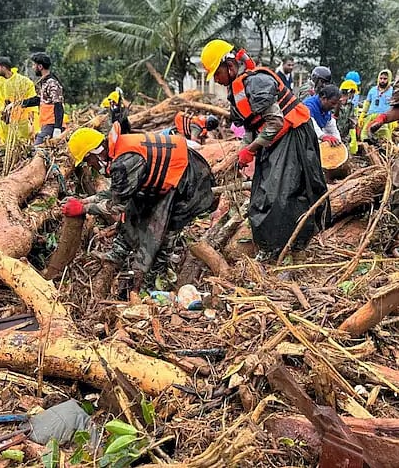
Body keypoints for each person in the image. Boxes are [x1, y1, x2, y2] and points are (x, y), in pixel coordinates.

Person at [200, 39, 327, 260]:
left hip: (294, 135)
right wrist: (243, 152)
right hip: (275, 139)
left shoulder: (257, 82)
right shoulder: (238, 87)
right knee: (262, 193)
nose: (217, 80)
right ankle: (272, 247)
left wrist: (252, 149)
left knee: (283, 196)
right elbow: (252, 124)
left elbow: (275, 122)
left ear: (229, 66)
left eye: (216, 74)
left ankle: (292, 249)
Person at [61, 124, 215, 295]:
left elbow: (116, 206)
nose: (90, 166)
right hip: (169, 179)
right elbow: (116, 193)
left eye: (88, 161)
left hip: (190, 183)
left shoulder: (125, 162)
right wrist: (84, 201)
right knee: (135, 209)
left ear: (94, 154)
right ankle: (118, 253)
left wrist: (84, 209)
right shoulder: (117, 152)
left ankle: (155, 282)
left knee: (165, 231)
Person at [18, 52, 65, 145]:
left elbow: (58, 105)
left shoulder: (52, 83)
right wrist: (19, 103)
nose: (32, 67)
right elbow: (39, 99)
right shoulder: (44, 82)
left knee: (37, 149)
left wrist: (57, 128)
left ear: (40, 67)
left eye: (34, 65)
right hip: (46, 124)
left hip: (51, 125)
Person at [0, 57, 37, 143]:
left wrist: (31, 116)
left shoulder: (24, 81)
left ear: (4, 68)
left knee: (23, 143)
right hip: (6, 120)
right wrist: (3, 109)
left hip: (22, 120)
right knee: (7, 143)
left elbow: (32, 98)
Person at [361, 69, 395, 142]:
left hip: (385, 120)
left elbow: (395, 106)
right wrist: (362, 115)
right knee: (365, 137)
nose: (382, 80)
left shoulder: (393, 91)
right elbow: (367, 103)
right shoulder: (372, 90)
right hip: (371, 117)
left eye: (385, 79)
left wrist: (394, 120)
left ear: (389, 79)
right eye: (381, 78)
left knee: (385, 141)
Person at [338, 80, 360, 150]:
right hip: (334, 135)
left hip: (345, 137)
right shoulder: (335, 102)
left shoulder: (350, 105)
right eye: (353, 93)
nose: (353, 96)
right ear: (350, 92)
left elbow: (352, 120)